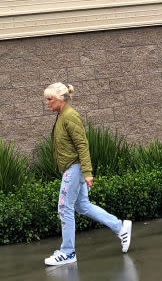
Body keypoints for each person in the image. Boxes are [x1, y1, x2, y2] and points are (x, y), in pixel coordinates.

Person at [42, 82, 132, 266]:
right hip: (72, 168)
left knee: (64, 208)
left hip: (74, 168)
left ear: (60, 99)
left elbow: (82, 145)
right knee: (82, 206)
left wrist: (87, 172)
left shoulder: (70, 116)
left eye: (49, 99)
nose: (47, 103)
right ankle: (120, 227)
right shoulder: (62, 115)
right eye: (46, 99)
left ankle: (68, 252)